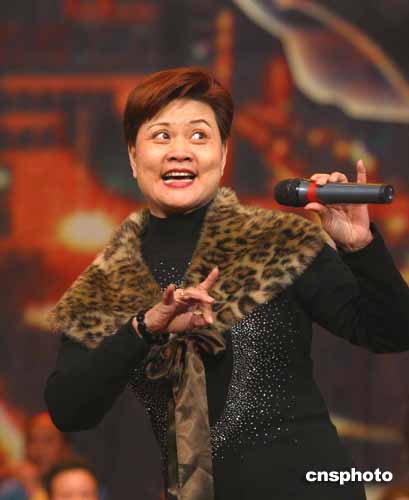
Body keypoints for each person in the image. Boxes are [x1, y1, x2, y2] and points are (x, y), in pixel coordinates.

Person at [44, 67, 409, 500]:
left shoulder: (277, 242)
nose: (180, 151)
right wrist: (144, 328)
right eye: (161, 136)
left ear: (222, 154)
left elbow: (392, 332)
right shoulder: (110, 280)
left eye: (199, 136)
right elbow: (68, 409)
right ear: (133, 157)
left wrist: (360, 247)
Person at [0, 413, 73, 500]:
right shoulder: (13, 488)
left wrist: (33, 489)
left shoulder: (77, 484)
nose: (38, 448)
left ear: (64, 447)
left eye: (47, 440)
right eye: (32, 440)